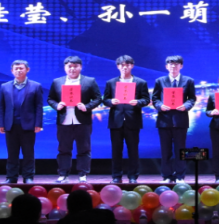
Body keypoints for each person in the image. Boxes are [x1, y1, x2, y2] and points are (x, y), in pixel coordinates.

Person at [48, 55, 102, 184]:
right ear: (65, 67)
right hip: (64, 120)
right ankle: (63, 174)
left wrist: (86, 106)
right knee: (63, 149)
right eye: (69, 66)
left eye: (75, 66)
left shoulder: (89, 81)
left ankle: (83, 174)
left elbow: (98, 98)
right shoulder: (57, 82)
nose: (72, 69)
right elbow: (50, 99)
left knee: (84, 149)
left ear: (80, 67)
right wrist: (57, 105)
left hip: (83, 120)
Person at [102, 55, 150, 184]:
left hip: (133, 120)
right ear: (118, 66)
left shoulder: (140, 82)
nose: (124, 67)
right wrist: (111, 101)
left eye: (127, 65)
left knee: (133, 150)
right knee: (116, 150)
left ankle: (133, 176)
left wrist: (138, 102)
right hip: (116, 121)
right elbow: (105, 99)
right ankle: (116, 176)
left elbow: (146, 99)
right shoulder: (111, 82)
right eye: (122, 65)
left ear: (132, 66)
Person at [152, 55, 197, 183]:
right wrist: (160, 106)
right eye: (171, 64)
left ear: (181, 66)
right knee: (165, 150)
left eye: (176, 64)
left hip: (180, 120)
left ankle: (180, 176)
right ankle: (166, 176)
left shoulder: (188, 81)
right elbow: (155, 99)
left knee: (180, 150)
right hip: (164, 120)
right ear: (166, 66)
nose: (173, 66)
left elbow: (192, 98)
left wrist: (186, 106)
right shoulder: (160, 81)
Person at [0, 60, 45, 184]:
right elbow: (1, 107)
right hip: (10, 125)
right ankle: (11, 177)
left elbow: (39, 106)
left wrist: (38, 123)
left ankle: (28, 177)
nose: (18, 71)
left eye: (21, 68)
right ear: (12, 71)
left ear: (27, 70)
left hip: (28, 125)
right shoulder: (5, 86)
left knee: (28, 153)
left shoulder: (36, 86)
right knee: (12, 153)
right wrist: (1, 124)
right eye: (16, 68)